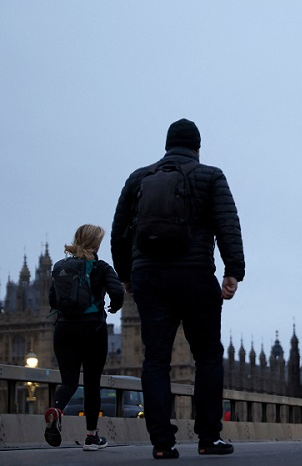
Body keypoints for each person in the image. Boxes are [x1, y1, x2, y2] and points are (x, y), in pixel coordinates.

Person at [111, 118, 245, 459]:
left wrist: (125, 274)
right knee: (208, 356)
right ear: (197, 148)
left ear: (167, 145)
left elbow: (118, 231)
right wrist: (233, 272)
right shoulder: (210, 176)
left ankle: (161, 442)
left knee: (155, 359)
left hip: (149, 278)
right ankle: (208, 438)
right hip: (195, 274)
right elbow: (228, 225)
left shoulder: (139, 178)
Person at [44, 224, 124, 450]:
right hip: (92, 331)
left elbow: (53, 300)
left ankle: (57, 410)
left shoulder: (62, 268)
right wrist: (114, 307)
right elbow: (117, 292)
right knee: (91, 384)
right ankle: (91, 437)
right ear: (97, 244)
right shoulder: (101, 267)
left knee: (69, 381)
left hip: (64, 331)